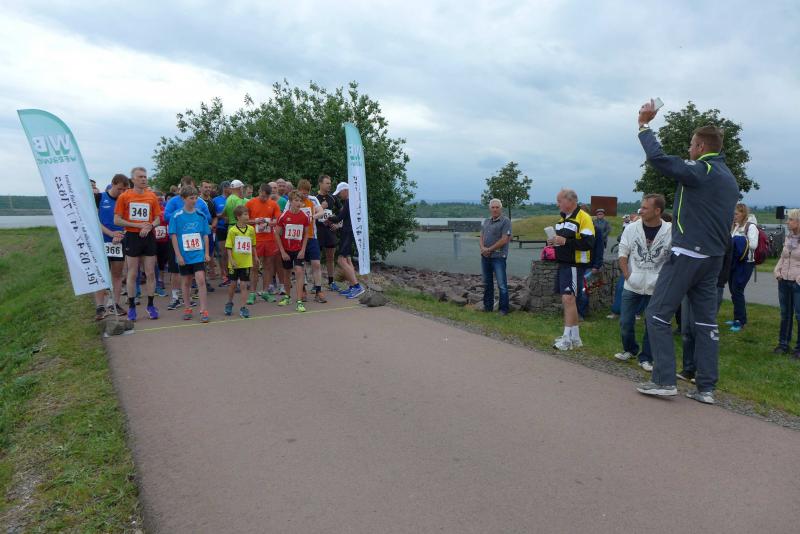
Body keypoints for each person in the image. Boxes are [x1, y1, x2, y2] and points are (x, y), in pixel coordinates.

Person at [634, 100, 739, 404]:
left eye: (692, 145)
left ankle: (664, 380)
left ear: (701, 146)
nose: (689, 149)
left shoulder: (703, 170)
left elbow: (659, 159)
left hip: (688, 254)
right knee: (705, 323)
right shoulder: (728, 177)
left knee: (657, 314)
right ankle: (706, 388)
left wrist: (644, 126)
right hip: (713, 258)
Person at [613, 194, 672, 371]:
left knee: (651, 324)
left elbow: (674, 257)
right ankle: (629, 349)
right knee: (625, 321)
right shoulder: (632, 228)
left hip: (657, 286)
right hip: (633, 283)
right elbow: (623, 252)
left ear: (657, 211)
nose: (641, 210)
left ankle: (646, 357)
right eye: (641, 207)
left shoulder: (670, 231)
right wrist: (627, 275)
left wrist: (665, 279)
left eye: (645, 208)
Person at [678, 236, 732, 383]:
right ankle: (688, 368)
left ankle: (701, 371)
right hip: (690, 284)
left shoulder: (722, 236)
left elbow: (725, 262)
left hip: (710, 286)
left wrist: (719, 282)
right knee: (687, 329)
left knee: (702, 330)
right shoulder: (696, 233)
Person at [548, 189, 595, 350]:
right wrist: (554, 242)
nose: (557, 204)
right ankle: (575, 337)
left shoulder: (583, 217)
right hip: (563, 263)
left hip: (575, 264)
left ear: (570, 201)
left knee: (568, 299)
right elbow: (563, 241)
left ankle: (567, 339)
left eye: (559, 201)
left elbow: (589, 243)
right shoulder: (562, 219)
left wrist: (565, 242)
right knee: (568, 300)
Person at [114, 166, 163, 322]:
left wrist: (150, 226)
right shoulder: (124, 196)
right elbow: (117, 220)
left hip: (148, 237)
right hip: (132, 237)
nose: (143, 179)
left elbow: (158, 218)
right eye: (140, 177)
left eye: (145, 176)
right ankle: (132, 307)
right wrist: (137, 225)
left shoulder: (152, 196)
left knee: (150, 273)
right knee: (133, 273)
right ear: (133, 179)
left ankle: (151, 305)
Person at [168, 186, 211, 323]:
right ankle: (187, 308)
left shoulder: (201, 215)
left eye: (196, 198)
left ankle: (203, 310)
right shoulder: (176, 216)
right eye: (191, 198)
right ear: (183, 199)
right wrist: (178, 255)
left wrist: (207, 253)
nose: (194, 200)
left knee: (201, 280)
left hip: (198, 254)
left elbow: (205, 235)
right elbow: (173, 236)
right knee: (186, 281)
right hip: (184, 255)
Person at [94, 173, 129, 319]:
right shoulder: (99, 198)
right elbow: (95, 220)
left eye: (124, 190)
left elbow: (129, 221)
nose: (122, 192)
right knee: (101, 274)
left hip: (119, 242)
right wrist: (111, 233)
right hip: (102, 240)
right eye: (119, 189)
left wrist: (121, 234)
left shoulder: (126, 200)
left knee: (117, 273)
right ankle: (100, 306)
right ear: (113, 184)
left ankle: (114, 303)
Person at [327, 182, 365, 299]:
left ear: (345, 191)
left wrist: (327, 217)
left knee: (341, 260)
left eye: (340, 193)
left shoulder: (349, 202)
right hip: (349, 231)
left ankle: (357, 286)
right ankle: (353, 286)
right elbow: (345, 218)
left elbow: (339, 217)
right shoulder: (353, 201)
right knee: (347, 260)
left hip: (347, 233)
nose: (339, 196)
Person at [245, 183, 282, 303]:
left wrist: (272, 223)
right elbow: (243, 220)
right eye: (262, 195)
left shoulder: (273, 204)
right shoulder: (250, 203)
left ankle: (265, 291)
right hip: (255, 240)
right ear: (259, 191)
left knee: (268, 266)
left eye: (266, 196)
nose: (264, 198)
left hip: (269, 240)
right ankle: (252, 293)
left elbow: (278, 219)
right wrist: (255, 221)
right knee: (254, 266)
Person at [275, 191, 311, 312]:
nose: (298, 203)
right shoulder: (283, 216)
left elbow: (306, 234)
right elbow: (277, 234)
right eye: (296, 200)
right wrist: (282, 252)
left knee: (299, 271)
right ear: (290, 202)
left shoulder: (304, 217)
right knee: (287, 273)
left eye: (300, 201)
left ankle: (299, 301)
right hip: (286, 250)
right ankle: (287, 296)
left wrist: (303, 249)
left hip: (298, 250)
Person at [727, 203, 759, 332]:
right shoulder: (735, 226)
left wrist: (738, 240)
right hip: (734, 261)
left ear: (743, 213)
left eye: (736, 214)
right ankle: (737, 317)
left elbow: (754, 245)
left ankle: (740, 321)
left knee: (737, 290)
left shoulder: (751, 227)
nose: (734, 216)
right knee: (733, 290)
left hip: (746, 263)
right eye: (733, 214)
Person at [774, 209, 800, 358]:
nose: (787, 222)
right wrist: (777, 271)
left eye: (790, 219)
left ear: (798, 222)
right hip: (783, 280)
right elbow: (783, 258)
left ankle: (799, 349)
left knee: (799, 316)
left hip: (797, 283)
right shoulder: (789, 237)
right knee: (785, 314)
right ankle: (783, 344)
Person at [479, 199, 512, 314]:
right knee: (487, 283)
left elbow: (504, 239)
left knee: (501, 284)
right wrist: (483, 248)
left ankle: (503, 309)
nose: (495, 209)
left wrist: (489, 249)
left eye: (497, 207)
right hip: (485, 257)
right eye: (493, 207)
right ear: (490, 209)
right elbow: (481, 236)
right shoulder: (486, 221)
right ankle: (487, 307)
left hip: (498, 257)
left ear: (501, 208)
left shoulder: (505, 221)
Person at [297, 179, 327, 303]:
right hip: (298, 238)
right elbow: (287, 213)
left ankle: (318, 290)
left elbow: (321, 211)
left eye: (307, 193)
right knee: (301, 265)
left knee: (316, 263)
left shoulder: (313, 199)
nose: (305, 195)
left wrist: (312, 217)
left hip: (312, 236)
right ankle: (303, 289)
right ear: (299, 190)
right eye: (303, 193)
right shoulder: (294, 200)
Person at [224, 205, 256, 318]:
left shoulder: (251, 229)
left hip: (246, 262)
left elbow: (253, 244)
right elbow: (228, 247)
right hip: (234, 263)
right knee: (233, 284)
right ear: (238, 217)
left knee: (243, 285)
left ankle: (243, 307)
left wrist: (255, 257)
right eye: (245, 214)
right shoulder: (232, 231)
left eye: (248, 214)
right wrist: (231, 259)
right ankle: (229, 302)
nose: (247, 216)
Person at [316, 174, 339, 290]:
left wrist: (338, 224)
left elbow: (343, 212)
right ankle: (316, 284)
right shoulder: (314, 198)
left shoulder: (333, 198)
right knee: (316, 259)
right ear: (320, 184)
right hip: (318, 232)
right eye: (327, 183)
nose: (329, 185)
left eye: (330, 183)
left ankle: (331, 282)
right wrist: (321, 207)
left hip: (330, 232)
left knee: (330, 258)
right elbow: (310, 214)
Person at [200, 180, 219, 280]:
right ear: (200, 188)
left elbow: (215, 217)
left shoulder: (212, 202)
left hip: (209, 232)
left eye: (209, 187)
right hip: (198, 233)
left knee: (209, 254)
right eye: (205, 187)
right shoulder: (197, 201)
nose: (208, 189)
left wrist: (212, 226)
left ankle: (207, 277)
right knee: (200, 254)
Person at [213, 180, 231, 286]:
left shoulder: (233, 199)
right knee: (223, 253)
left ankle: (232, 275)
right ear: (225, 188)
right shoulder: (216, 200)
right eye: (230, 187)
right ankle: (225, 276)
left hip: (232, 228)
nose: (231, 189)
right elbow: (213, 214)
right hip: (221, 228)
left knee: (232, 253)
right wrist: (223, 216)